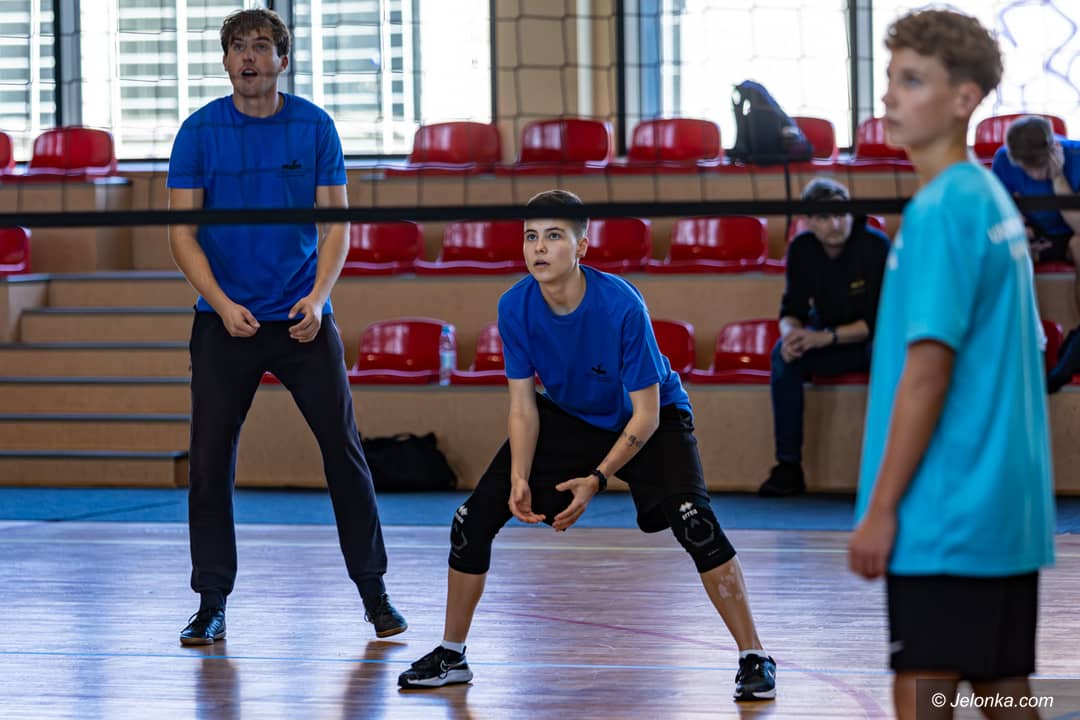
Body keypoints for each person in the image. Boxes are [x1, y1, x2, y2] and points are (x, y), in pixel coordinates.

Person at [396, 189, 776, 702]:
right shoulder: (514, 306)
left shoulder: (621, 305)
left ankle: (754, 654)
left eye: (554, 236)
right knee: (470, 520)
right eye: (531, 236)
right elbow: (524, 406)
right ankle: (452, 654)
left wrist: (597, 478)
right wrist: (518, 478)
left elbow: (646, 414)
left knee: (695, 521)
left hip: (653, 418)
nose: (539, 247)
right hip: (571, 416)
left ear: (582, 247)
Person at [166, 8, 406, 646]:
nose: (249, 56)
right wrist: (221, 304)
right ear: (225, 61)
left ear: (283, 60)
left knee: (344, 452)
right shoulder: (198, 131)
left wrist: (319, 299)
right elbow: (182, 234)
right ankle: (211, 603)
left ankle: (375, 594)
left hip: (303, 318)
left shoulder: (314, 126)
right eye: (238, 47)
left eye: (261, 46)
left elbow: (337, 226)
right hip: (225, 322)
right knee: (209, 461)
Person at [849, 10, 1054, 720]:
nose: (889, 96)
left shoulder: (940, 211)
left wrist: (881, 509)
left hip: (944, 514)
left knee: (923, 693)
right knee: (1002, 692)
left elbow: (928, 374)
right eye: (890, 78)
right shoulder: (990, 198)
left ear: (964, 98)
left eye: (912, 80)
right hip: (1002, 512)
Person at [759, 178, 889, 497]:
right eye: (824, 217)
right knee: (782, 356)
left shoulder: (875, 246)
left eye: (840, 214)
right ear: (809, 221)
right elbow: (793, 309)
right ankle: (788, 467)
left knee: (886, 355)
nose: (835, 224)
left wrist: (823, 338)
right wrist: (791, 335)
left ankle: (885, 468)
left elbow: (878, 322)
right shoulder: (801, 249)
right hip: (828, 339)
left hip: (868, 340)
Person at [991, 115, 1080, 311]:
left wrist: (1058, 177)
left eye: (1040, 166)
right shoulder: (1004, 160)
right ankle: (1022, 323)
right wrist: (1020, 230)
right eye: (1026, 169)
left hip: (1072, 232)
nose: (1035, 175)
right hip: (1034, 234)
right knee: (1008, 250)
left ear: (1055, 149)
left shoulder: (1076, 155)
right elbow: (1000, 217)